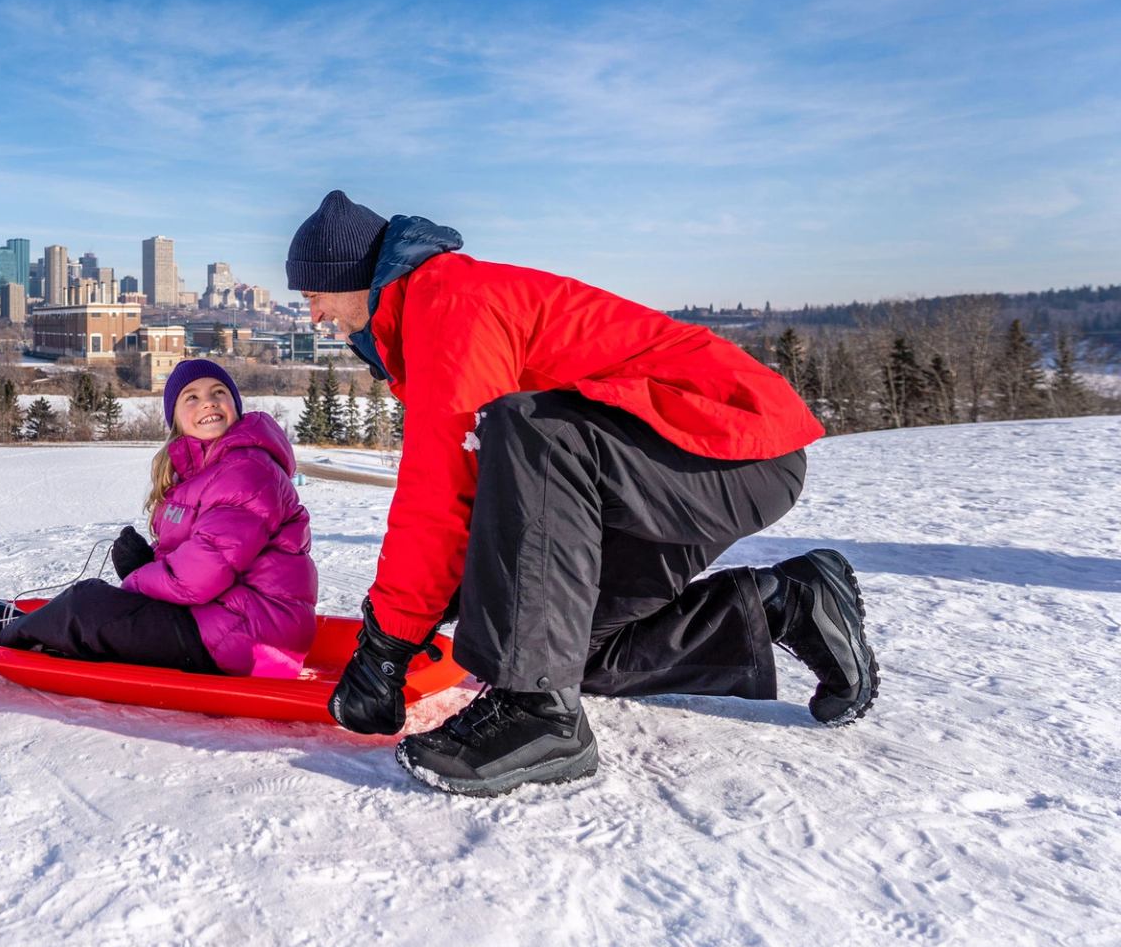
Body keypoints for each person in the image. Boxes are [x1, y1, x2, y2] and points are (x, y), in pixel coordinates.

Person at [286, 190, 877, 797]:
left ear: (351, 276)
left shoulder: (448, 300)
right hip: (665, 465)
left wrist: (387, 644)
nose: (315, 317)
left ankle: (539, 716)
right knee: (560, 649)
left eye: (314, 296)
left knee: (529, 431)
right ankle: (789, 602)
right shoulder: (421, 315)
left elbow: (441, 489)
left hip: (728, 446)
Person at [0, 360, 319, 677]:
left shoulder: (245, 471)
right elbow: (203, 557)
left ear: (235, 407)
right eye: (191, 397)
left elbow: (197, 579)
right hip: (232, 625)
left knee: (86, 606)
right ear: (176, 419)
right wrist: (150, 561)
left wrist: (136, 575)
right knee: (101, 607)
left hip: (252, 640)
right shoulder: (208, 471)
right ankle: (51, 636)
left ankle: (15, 633)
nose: (208, 401)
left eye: (218, 392)